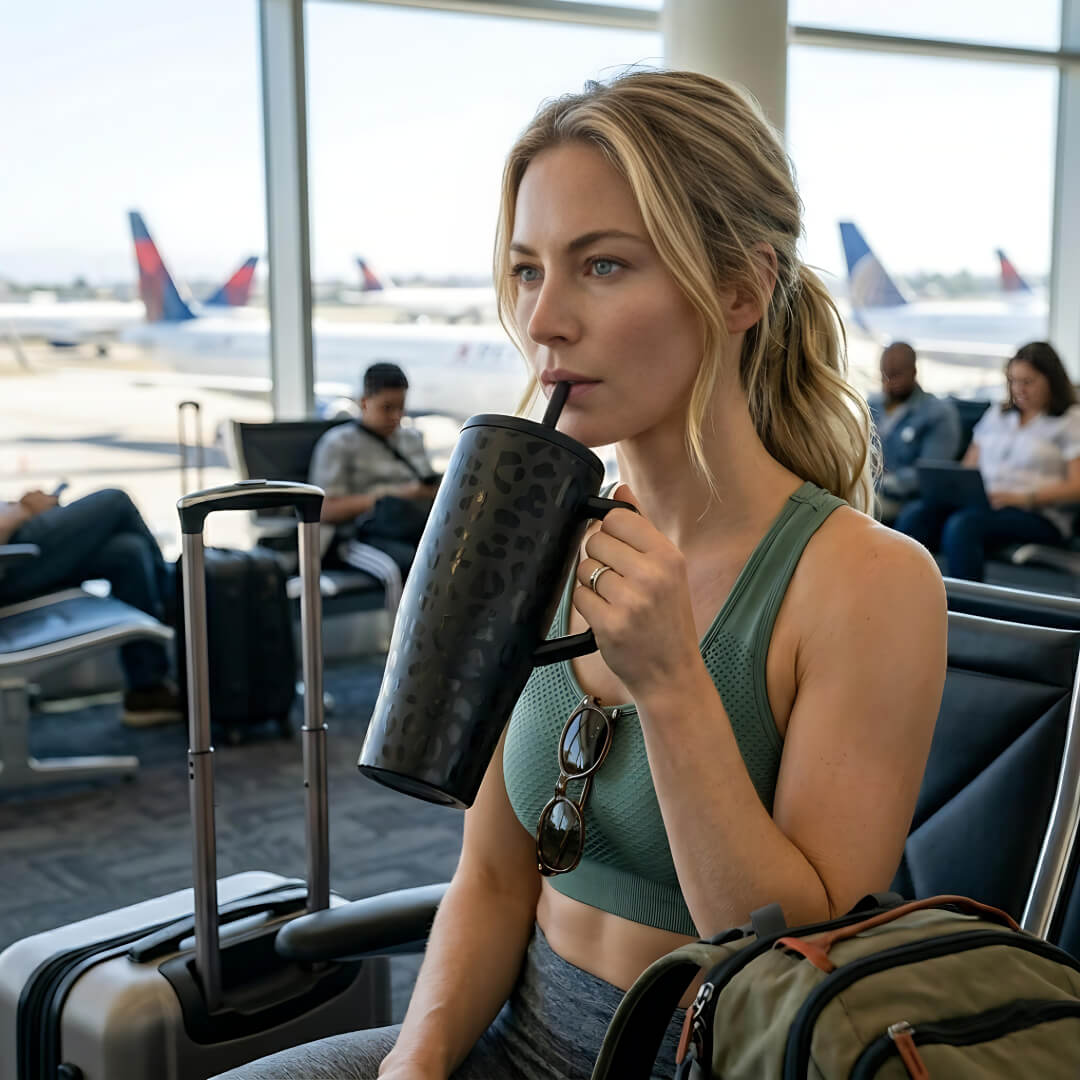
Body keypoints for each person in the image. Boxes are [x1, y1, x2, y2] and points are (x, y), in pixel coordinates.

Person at [216, 71, 945, 1080]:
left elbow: (780, 949)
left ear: (741, 288)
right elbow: (491, 880)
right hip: (515, 1028)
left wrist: (675, 686)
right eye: (526, 271)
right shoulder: (540, 537)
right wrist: (415, 1065)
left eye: (601, 265)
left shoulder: (869, 582)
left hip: (709, 1055)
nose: (545, 319)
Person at [894, 341, 1080, 581]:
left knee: (963, 526)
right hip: (985, 503)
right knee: (916, 515)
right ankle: (897, 593)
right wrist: (958, 491)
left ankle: (966, 611)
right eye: (1013, 381)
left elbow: (1077, 486)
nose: (1018, 389)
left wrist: (1022, 498)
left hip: (1037, 514)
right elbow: (970, 464)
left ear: (1051, 381)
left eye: (1028, 382)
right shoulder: (998, 415)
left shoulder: (1069, 421)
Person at [0, 487, 179, 725]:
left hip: (12, 548)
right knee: (115, 501)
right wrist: (25, 509)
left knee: (129, 553)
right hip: (8, 555)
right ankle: (175, 605)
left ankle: (147, 692)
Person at [309, 362, 438, 612]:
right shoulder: (338, 444)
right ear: (364, 402)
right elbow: (323, 511)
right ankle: (400, 646)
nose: (396, 417)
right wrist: (391, 496)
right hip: (357, 536)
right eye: (387, 408)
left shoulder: (410, 440)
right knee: (401, 566)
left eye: (401, 408)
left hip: (407, 528)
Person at [868, 341, 960, 522]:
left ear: (914, 371)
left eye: (896, 375)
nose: (888, 383)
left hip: (907, 498)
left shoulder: (937, 413)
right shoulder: (872, 406)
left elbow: (929, 473)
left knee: (857, 513)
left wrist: (885, 483)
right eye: (884, 376)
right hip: (869, 488)